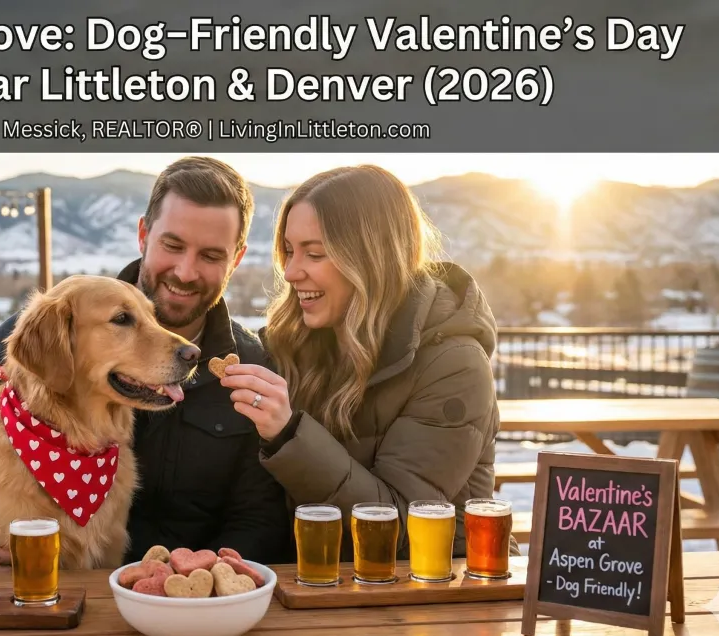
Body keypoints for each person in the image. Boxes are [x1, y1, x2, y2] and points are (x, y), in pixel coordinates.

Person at [0, 156, 291, 572]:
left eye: (210, 255)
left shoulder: (251, 366)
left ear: (236, 258)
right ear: (143, 235)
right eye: (172, 245)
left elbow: (257, 517)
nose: (186, 271)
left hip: (174, 603)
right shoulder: (51, 327)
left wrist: (204, 574)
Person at [218, 165, 515, 561]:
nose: (290, 272)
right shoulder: (298, 341)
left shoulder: (454, 366)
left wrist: (289, 435)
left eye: (315, 253)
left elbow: (401, 529)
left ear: (371, 257)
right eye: (289, 251)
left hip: (438, 595)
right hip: (319, 584)